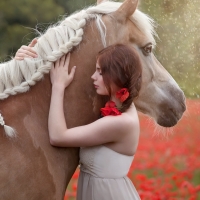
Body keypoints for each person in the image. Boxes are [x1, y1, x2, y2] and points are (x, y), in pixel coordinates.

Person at [15, 40, 142, 200]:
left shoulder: (121, 123)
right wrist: (20, 63)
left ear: (118, 75)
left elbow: (58, 136)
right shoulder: (121, 107)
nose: (93, 76)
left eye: (100, 72)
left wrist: (58, 86)